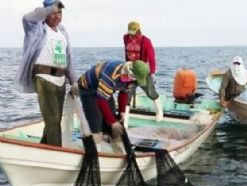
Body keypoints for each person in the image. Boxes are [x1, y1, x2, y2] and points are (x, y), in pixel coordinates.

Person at [16, 0, 78, 147]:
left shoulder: (63, 32)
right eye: (53, 12)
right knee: (52, 117)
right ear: (45, 13)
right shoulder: (36, 27)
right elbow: (27, 18)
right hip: (43, 78)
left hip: (61, 80)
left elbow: (69, 58)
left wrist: (74, 81)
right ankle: (57, 152)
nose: (57, 16)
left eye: (59, 12)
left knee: (55, 120)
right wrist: (49, 8)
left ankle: (43, 147)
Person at [78, 60, 149, 154]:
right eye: (136, 78)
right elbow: (101, 100)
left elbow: (124, 93)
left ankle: (119, 153)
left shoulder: (134, 79)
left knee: (113, 125)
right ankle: (96, 156)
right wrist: (112, 122)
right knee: (96, 124)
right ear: (130, 72)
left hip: (105, 90)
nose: (136, 81)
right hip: (89, 88)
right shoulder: (112, 74)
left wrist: (122, 112)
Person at [123, 21, 163, 121]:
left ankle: (159, 111)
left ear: (138, 30)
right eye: (130, 32)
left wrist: (152, 72)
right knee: (127, 93)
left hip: (142, 70)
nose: (131, 35)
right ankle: (125, 117)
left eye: (133, 32)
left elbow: (151, 57)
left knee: (150, 91)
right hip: (130, 69)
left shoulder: (146, 41)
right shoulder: (125, 38)